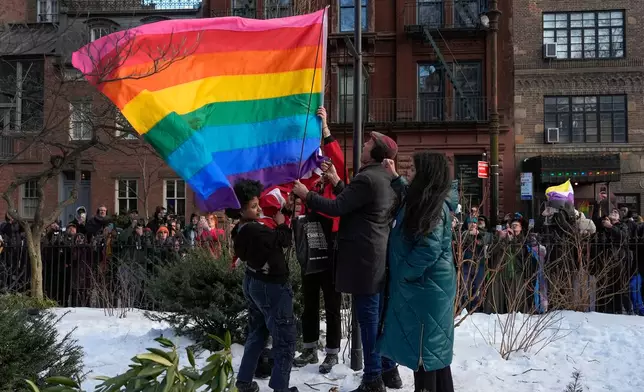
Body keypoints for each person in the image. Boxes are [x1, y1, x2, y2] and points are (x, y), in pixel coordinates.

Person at [292, 131, 400, 392]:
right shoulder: (383, 176)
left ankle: (373, 378)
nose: (363, 144)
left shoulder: (367, 178)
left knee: (369, 320)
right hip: (377, 256)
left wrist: (306, 195)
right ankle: (388, 371)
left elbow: (337, 208)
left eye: (368, 143)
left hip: (365, 260)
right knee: (378, 318)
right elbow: (358, 204)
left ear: (375, 152)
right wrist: (338, 182)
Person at [377, 152, 456, 392]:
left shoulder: (433, 207)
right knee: (433, 352)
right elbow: (410, 195)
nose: (407, 171)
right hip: (426, 288)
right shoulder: (425, 199)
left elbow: (428, 248)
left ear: (426, 174)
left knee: (424, 353)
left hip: (425, 289)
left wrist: (404, 274)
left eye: (412, 168)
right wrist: (394, 178)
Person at [226, 179, 298, 392]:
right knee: (285, 339)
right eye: (254, 207)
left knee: (257, 333)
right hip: (271, 288)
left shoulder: (242, 229)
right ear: (241, 210)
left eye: (258, 205)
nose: (259, 210)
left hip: (254, 283)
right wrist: (283, 221)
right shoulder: (255, 231)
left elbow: (274, 237)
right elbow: (283, 239)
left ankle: (244, 381)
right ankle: (280, 387)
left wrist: (284, 211)